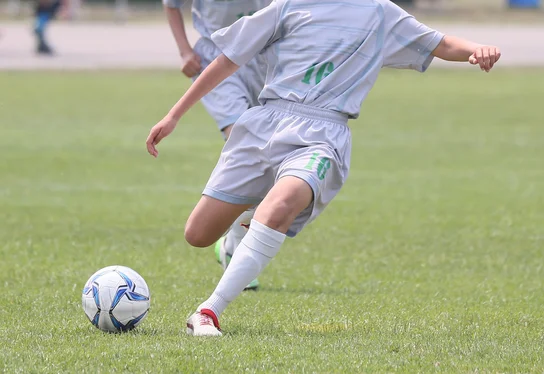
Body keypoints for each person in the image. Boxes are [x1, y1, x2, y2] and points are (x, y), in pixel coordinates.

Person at [146, 0, 501, 337]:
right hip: (264, 124)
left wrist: (476, 49)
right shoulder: (288, 6)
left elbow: (439, 43)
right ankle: (245, 222)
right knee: (198, 234)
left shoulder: (379, 12)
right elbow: (228, 59)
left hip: (322, 134)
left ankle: (209, 311)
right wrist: (174, 115)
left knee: (282, 204)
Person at [163, 0, 273, 290]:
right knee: (244, 141)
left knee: (270, 160)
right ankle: (234, 244)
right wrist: (185, 50)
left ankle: (233, 242)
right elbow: (171, 5)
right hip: (217, 58)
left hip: (265, 60)